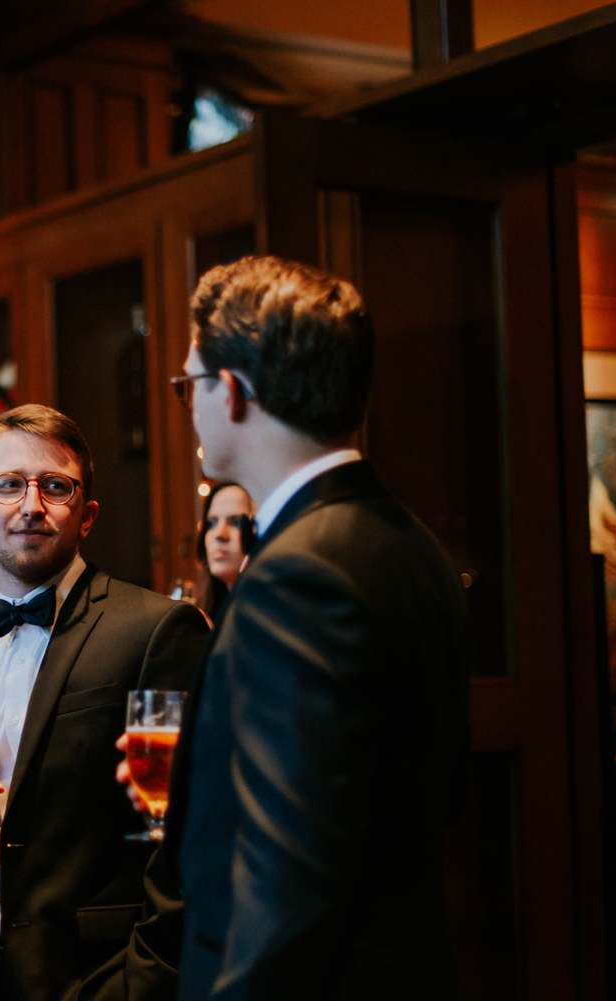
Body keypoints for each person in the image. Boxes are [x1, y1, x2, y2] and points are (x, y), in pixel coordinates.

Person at [156, 255, 472, 998]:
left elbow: (285, 877)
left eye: (189, 385)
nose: (190, 405)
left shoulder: (300, 574)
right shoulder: (408, 539)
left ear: (230, 392)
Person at [0, 404, 209, 1001]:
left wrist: (142, 983)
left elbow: (188, 834)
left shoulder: (155, 630)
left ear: (86, 515)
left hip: (98, 977)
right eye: (8, 485)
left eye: (55, 487)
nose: (30, 504)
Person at [194, 482, 253, 623]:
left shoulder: (269, 614)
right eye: (212, 523)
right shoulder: (206, 611)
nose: (219, 534)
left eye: (236, 522)